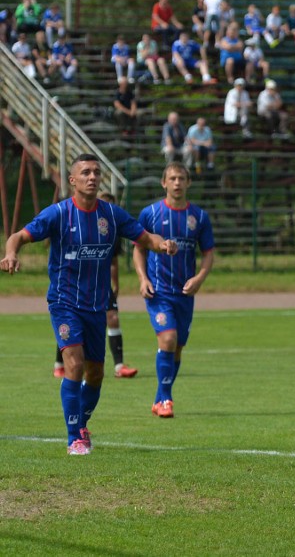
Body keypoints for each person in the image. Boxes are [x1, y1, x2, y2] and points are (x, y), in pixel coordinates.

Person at [1, 154, 177, 454]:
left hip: (97, 305)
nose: (92, 177)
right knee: (74, 364)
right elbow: (19, 236)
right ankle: (75, 438)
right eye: (85, 172)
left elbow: (145, 237)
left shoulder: (111, 215)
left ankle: (80, 422)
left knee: (95, 373)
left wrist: (162, 244)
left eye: (96, 172)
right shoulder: (57, 214)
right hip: (64, 302)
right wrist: (11, 253)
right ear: (72, 180)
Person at [133, 163, 215, 419]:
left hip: (185, 293)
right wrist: (142, 278)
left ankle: (159, 397)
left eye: (181, 178)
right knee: (167, 339)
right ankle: (167, 399)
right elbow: (139, 248)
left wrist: (200, 278)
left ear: (188, 183)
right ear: (163, 182)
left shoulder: (199, 217)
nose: (177, 182)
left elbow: (208, 253)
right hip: (159, 292)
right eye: (172, 178)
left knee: (177, 348)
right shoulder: (150, 213)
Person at [53, 191, 140, 379]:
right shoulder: (70, 220)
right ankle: (59, 363)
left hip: (101, 287)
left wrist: (115, 284)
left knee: (113, 319)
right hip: (72, 289)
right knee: (71, 328)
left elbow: (114, 260)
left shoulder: (112, 228)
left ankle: (119, 366)